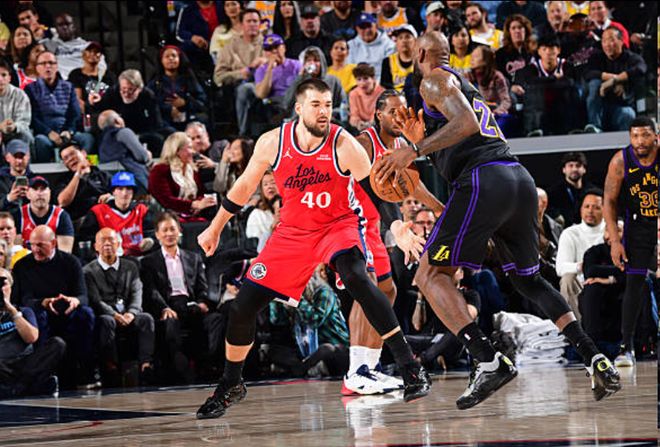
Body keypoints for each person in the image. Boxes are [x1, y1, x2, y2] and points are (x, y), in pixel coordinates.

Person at [375, 31, 620, 409]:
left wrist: (413, 149)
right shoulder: (462, 85)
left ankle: (488, 359)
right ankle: (594, 357)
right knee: (527, 280)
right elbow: (462, 133)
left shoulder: (433, 80)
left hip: (484, 179)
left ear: (421, 53)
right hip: (517, 181)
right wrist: (424, 148)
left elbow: (466, 124)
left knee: (429, 275)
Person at [194, 78, 430, 419]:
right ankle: (231, 383)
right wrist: (215, 228)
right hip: (293, 233)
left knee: (358, 277)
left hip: (338, 225)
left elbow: (376, 191)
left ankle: (410, 366)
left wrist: (397, 229)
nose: (324, 112)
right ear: (299, 108)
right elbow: (244, 185)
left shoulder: (343, 143)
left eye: (329, 105)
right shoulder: (273, 142)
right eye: (316, 105)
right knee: (243, 307)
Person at [344, 89, 444, 395]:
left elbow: (413, 184)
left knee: (387, 291)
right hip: (350, 221)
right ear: (378, 115)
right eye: (392, 112)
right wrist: (398, 226)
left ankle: (370, 368)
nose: (399, 118)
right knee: (368, 290)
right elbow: (374, 190)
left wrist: (440, 208)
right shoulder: (364, 142)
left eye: (403, 112)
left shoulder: (401, 146)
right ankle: (356, 371)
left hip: (373, 225)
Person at [141, 212, 222, 383]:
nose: (169, 234)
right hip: (169, 305)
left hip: (191, 304)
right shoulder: (149, 261)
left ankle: (210, 365)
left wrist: (202, 302)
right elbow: (151, 291)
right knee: (170, 325)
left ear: (179, 231)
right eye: (165, 230)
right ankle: (183, 373)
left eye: (172, 229)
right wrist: (164, 308)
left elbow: (202, 286)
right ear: (157, 235)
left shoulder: (193, 257)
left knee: (216, 320)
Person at [603, 116, 658, 367]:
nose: (640, 141)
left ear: (655, 136)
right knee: (634, 285)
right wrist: (615, 241)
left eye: (645, 135)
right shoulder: (620, 161)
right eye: (635, 135)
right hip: (637, 226)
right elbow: (609, 201)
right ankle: (627, 347)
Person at [11, 225, 95, 388]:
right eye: (31, 245)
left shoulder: (71, 262)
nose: (35, 249)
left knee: (86, 314)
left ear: (54, 243)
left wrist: (74, 301)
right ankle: (43, 374)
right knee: (37, 315)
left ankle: (86, 373)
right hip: (39, 310)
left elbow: (83, 296)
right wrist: (43, 302)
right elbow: (22, 300)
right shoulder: (22, 265)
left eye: (40, 245)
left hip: (67, 310)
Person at [84, 228, 154, 386]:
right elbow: (96, 301)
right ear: (96, 246)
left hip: (128, 314)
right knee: (106, 321)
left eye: (111, 240)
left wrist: (132, 313)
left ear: (118, 244)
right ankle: (111, 368)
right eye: (103, 240)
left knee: (146, 319)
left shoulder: (131, 266)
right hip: (108, 315)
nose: (107, 244)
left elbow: (137, 292)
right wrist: (115, 315)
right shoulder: (88, 271)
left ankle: (146, 366)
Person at [0, 267, 65, 398]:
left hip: (25, 364)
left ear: (11, 288)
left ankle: (18, 387)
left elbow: (31, 338)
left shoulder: (24, 311)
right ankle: (29, 386)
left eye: (3, 283)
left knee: (58, 343)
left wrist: (12, 311)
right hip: (2, 366)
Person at [25, 51, 94, 162]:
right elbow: (33, 117)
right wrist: (48, 132)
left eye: (51, 63)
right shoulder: (30, 89)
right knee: (40, 141)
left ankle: (83, 167)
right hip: (45, 134)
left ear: (57, 66)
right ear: (37, 68)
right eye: (43, 63)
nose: (48, 66)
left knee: (87, 139)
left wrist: (69, 131)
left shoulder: (68, 86)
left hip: (66, 132)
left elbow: (75, 113)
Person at [89, 69, 173, 154]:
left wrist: (138, 136)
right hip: (118, 132)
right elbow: (99, 115)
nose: (126, 94)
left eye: (130, 90)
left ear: (139, 89)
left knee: (167, 134)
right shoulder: (113, 92)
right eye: (123, 89)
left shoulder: (148, 95)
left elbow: (156, 122)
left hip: (142, 131)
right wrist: (93, 103)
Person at [235, 33, 301, 136]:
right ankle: (244, 134)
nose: (274, 51)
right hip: (272, 104)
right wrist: (270, 68)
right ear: (264, 53)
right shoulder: (262, 70)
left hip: (293, 101)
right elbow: (261, 94)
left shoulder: (296, 64)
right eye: (269, 49)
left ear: (284, 48)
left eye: (276, 47)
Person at [584, 27, 646, 133]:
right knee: (594, 83)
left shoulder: (631, 58)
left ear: (621, 41)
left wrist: (614, 81)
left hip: (621, 107)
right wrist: (613, 79)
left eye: (611, 40)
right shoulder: (597, 58)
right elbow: (587, 73)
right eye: (604, 41)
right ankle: (594, 126)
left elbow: (641, 69)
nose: (607, 44)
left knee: (628, 114)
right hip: (600, 108)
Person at [555, 190, 606, 318]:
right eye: (586, 206)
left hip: (606, 283)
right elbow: (560, 268)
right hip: (580, 286)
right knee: (567, 278)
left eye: (596, 207)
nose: (590, 211)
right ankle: (575, 327)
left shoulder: (612, 231)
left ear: (605, 210)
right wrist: (583, 266)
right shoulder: (570, 233)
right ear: (581, 209)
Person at [79, 172, 153, 258]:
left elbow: (151, 234)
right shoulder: (98, 212)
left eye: (129, 189)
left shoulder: (141, 210)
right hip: (108, 259)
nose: (124, 193)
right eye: (120, 189)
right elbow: (85, 239)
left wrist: (150, 241)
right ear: (113, 192)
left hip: (138, 257)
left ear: (133, 192)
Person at [148, 132, 216, 223]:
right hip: (170, 219)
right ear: (177, 150)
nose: (193, 152)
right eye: (190, 147)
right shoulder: (159, 170)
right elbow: (166, 200)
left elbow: (200, 192)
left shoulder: (192, 168)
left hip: (194, 216)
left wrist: (202, 203)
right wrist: (194, 205)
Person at [147, 45, 207, 130]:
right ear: (161, 61)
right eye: (167, 56)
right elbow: (149, 104)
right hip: (164, 122)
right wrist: (169, 109)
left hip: (189, 118)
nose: (171, 58)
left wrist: (184, 103)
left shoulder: (189, 80)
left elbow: (201, 101)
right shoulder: (154, 83)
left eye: (174, 56)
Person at [283, 46, 346, 122]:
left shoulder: (333, 80)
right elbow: (287, 103)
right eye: (309, 60)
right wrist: (300, 78)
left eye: (316, 60)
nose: (312, 63)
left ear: (322, 62)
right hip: (303, 121)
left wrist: (331, 113)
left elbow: (343, 104)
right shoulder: (301, 81)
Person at [13, 176, 75, 253]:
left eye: (43, 189)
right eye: (35, 189)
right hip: (26, 259)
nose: (39, 193)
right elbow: (16, 252)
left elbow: (65, 253)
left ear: (49, 193)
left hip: (53, 260)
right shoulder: (18, 215)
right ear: (28, 194)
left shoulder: (61, 216)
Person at [96, 110, 152, 192]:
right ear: (117, 121)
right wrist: (147, 155)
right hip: (133, 179)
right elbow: (141, 156)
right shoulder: (123, 132)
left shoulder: (101, 138)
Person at [55, 144, 112, 222]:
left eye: (72, 154)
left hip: (104, 218)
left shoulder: (103, 175)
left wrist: (110, 196)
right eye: (66, 158)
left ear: (83, 153)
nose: (70, 159)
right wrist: (78, 174)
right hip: (79, 222)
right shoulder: (63, 180)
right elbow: (63, 201)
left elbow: (119, 196)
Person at [43, 13, 108, 80]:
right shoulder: (48, 44)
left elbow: (102, 67)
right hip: (61, 82)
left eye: (68, 24)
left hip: (84, 80)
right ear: (56, 28)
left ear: (74, 27)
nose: (64, 27)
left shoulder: (88, 46)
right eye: (60, 25)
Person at [213, 8, 265, 88]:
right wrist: (240, 74)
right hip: (238, 87)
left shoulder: (269, 44)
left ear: (260, 24)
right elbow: (218, 77)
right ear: (241, 24)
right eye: (248, 21)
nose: (252, 24)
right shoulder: (230, 46)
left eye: (255, 21)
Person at [547, 152, 595, 227]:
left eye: (578, 166)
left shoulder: (593, 191)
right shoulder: (552, 193)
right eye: (570, 166)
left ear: (584, 169)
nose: (574, 169)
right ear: (564, 170)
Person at [67, 41, 116, 115]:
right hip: (86, 114)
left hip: (106, 114)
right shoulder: (76, 74)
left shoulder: (109, 75)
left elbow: (114, 98)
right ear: (83, 54)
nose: (93, 54)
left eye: (96, 52)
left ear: (100, 56)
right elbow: (77, 100)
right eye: (89, 51)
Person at [175, 0, 222, 77]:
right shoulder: (187, 10)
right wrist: (192, 37)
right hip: (200, 48)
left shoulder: (222, 5)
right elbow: (180, 32)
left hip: (223, 46)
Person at [346, 13, 395, 82]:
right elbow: (349, 71)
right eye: (362, 27)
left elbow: (389, 72)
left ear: (376, 26)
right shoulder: (350, 45)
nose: (367, 30)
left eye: (369, 26)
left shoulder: (389, 45)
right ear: (357, 29)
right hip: (357, 85)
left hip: (382, 84)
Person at [245, 170, 279, 253]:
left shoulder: (291, 208)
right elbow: (255, 246)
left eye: (273, 183)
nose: (270, 186)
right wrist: (272, 228)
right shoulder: (256, 214)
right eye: (265, 184)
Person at [0, 58, 32, 144]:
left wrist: (14, 126)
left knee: (25, 135)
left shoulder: (20, 95)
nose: (0, 79)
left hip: (15, 135)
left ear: (9, 78)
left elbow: (24, 123)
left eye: (4, 75)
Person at [495, 14, 533, 85]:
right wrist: (511, 87)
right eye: (513, 28)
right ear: (509, 32)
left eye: (520, 27)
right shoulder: (500, 54)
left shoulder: (533, 52)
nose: (517, 31)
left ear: (526, 30)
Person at [349, 63, 384, 132]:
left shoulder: (382, 93)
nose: (362, 83)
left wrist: (370, 124)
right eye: (359, 79)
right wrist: (358, 123)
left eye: (366, 78)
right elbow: (354, 115)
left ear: (373, 78)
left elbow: (380, 115)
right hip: (359, 128)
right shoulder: (353, 94)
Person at [0, 139, 34, 211]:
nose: (19, 161)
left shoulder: (36, 180)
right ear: (7, 157)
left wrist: (34, 198)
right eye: (15, 157)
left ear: (28, 156)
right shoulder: (1, 181)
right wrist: (8, 198)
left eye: (22, 156)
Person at [380, 25, 416, 92]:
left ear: (415, 40)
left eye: (407, 37)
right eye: (400, 38)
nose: (404, 41)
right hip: (395, 96)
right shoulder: (388, 61)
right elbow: (385, 87)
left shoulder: (421, 60)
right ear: (396, 42)